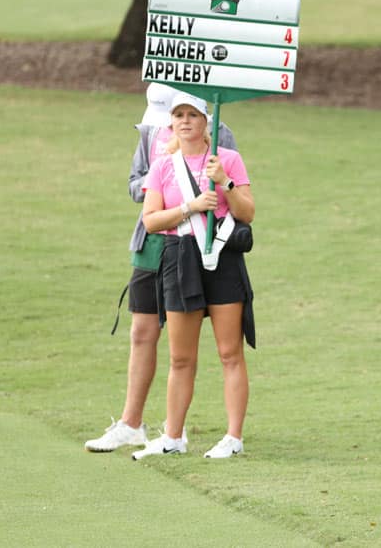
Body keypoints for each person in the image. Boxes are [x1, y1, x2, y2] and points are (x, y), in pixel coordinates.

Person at [84, 83, 237, 453]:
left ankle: (175, 428)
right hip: (153, 239)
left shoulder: (221, 132)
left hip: (195, 244)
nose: (178, 124)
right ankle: (131, 424)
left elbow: (226, 185)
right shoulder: (151, 133)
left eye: (187, 115)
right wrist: (161, 173)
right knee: (142, 330)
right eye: (173, 118)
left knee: (187, 342)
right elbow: (135, 186)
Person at [131, 91, 255, 460]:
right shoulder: (163, 165)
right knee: (181, 358)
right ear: (171, 123)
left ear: (207, 122)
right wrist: (190, 207)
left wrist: (225, 183)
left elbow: (247, 212)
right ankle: (172, 436)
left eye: (193, 115)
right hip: (180, 257)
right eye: (179, 116)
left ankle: (233, 437)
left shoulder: (227, 159)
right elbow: (152, 220)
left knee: (229, 352)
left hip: (221, 258)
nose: (185, 121)